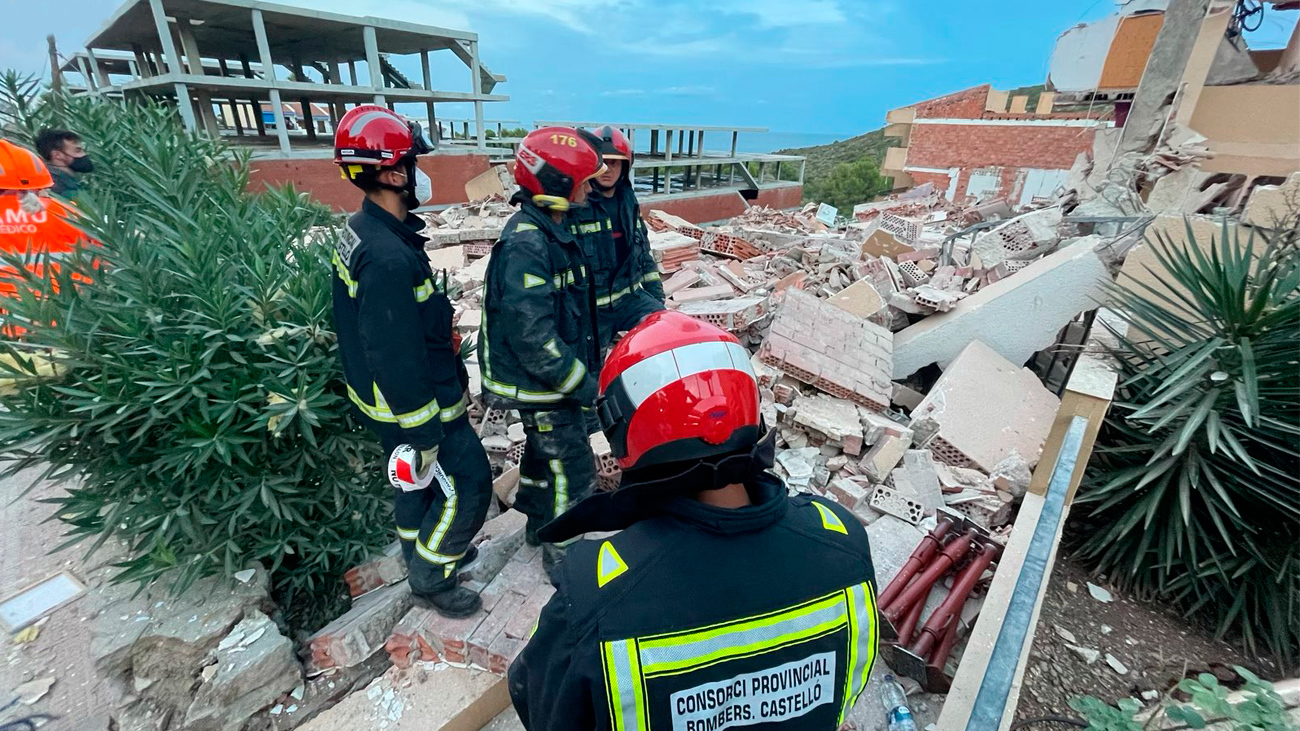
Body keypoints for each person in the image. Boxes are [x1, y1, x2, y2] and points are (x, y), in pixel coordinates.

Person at [508, 310, 880, 731]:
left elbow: (541, 708)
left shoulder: (595, 599)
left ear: (624, 428)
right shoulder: (842, 542)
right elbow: (848, 685)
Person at [330, 105, 492, 618]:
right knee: (469, 486)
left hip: (386, 404)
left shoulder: (364, 230)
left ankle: (418, 549)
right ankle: (430, 575)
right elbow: (396, 351)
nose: (421, 172)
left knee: (415, 483)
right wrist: (424, 430)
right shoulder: (387, 256)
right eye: (415, 162)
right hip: (416, 407)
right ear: (394, 172)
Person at [481, 127, 605, 582]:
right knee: (569, 467)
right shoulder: (527, 245)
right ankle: (564, 551)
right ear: (555, 184)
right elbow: (534, 337)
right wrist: (586, 388)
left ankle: (537, 524)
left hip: (545, 379)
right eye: (584, 181)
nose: (590, 188)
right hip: (538, 383)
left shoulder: (551, 230)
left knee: (541, 455)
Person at [570, 125, 664, 351]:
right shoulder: (576, 206)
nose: (607, 169)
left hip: (630, 300)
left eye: (614, 162)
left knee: (664, 331)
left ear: (625, 166)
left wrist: (657, 300)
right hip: (590, 310)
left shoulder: (628, 202)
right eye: (602, 162)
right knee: (592, 373)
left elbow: (643, 254)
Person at [34, 129, 93, 197]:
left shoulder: (65, 181)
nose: (84, 154)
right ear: (57, 155)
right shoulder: (54, 186)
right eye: (77, 151)